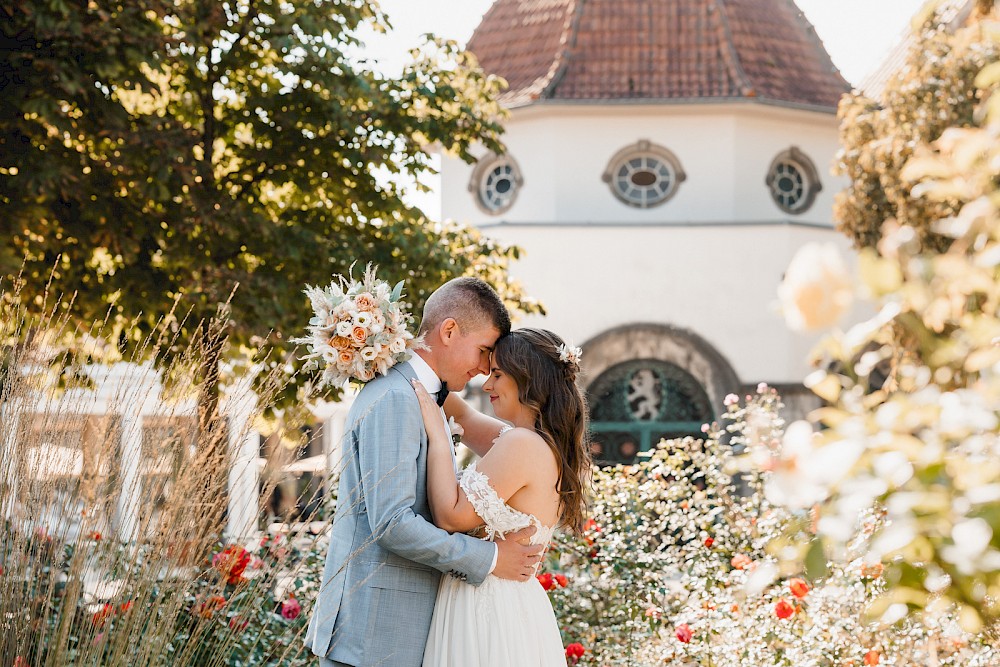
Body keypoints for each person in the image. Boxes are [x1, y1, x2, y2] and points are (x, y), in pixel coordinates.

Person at [306, 278, 545, 667]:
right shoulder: (398, 399)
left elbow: (504, 440)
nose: (485, 368)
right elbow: (392, 522)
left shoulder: (422, 395)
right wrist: (488, 558)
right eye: (484, 350)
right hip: (377, 637)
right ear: (449, 331)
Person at [412, 327, 592, 667]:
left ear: (528, 379)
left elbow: (450, 516)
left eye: (497, 374)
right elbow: (462, 416)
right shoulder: (535, 441)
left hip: (488, 608)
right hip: (510, 603)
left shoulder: (521, 445)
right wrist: (399, 356)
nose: (487, 385)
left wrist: (438, 437)